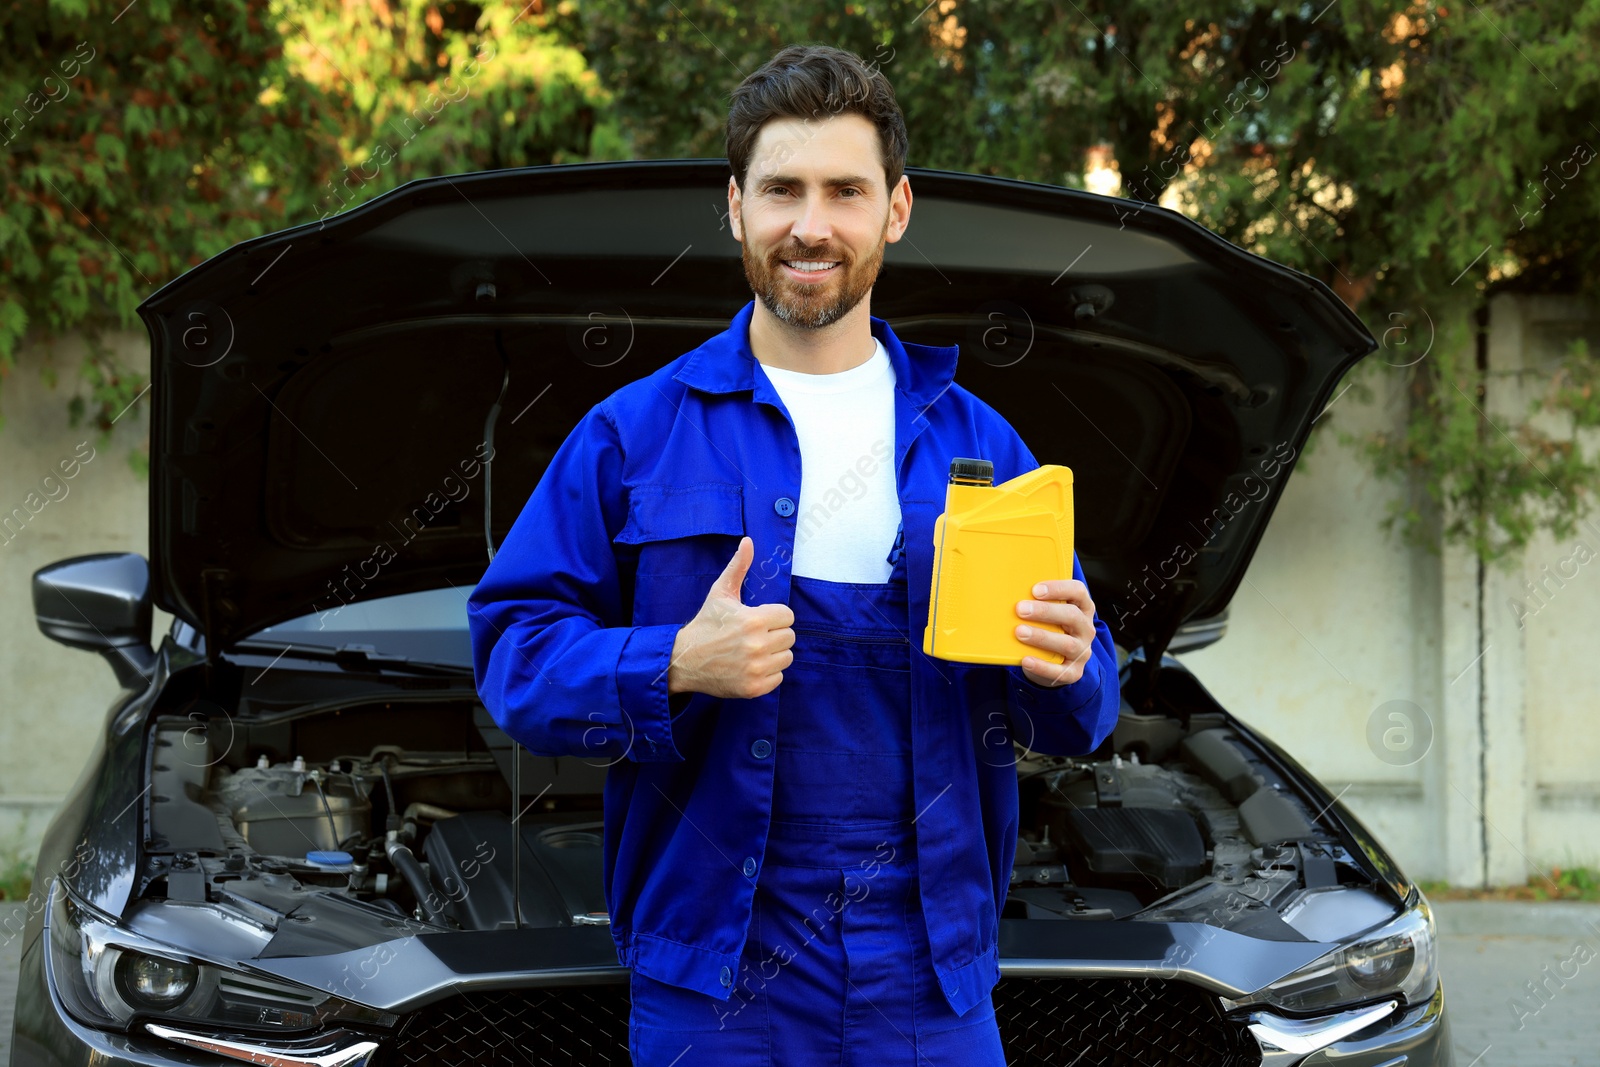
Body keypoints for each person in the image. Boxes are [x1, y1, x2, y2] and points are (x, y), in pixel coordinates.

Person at [467, 43, 1120, 1067]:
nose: (810, 225)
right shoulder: (632, 433)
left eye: (844, 191)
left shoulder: (978, 445)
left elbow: (1086, 700)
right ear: (734, 206)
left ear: (895, 210)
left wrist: (1069, 663)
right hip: (714, 976)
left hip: (931, 973)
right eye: (781, 189)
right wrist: (671, 662)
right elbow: (513, 652)